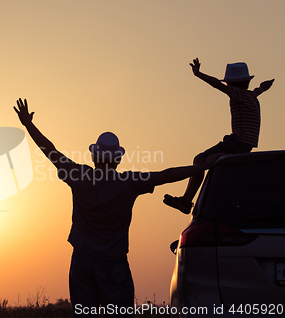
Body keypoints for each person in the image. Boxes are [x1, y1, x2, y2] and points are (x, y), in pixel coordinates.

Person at [13, 98, 218, 317]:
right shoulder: (128, 183)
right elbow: (165, 175)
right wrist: (204, 166)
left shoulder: (80, 177)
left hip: (82, 261)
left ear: (93, 156)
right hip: (113, 264)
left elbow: (50, 151)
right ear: (118, 159)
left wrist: (29, 125)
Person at [164, 58, 275, 213]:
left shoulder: (237, 94)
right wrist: (264, 86)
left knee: (202, 160)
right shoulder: (250, 96)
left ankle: (187, 200)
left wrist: (199, 74)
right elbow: (258, 91)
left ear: (231, 84)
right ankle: (188, 200)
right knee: (206, 162)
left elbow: (217, 84)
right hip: (245, 143)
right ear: (247, 82)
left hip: (237, 141)